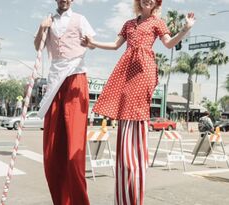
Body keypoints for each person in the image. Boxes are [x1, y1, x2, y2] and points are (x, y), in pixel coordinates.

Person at [81, 0, 195, 204]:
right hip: (126, 70)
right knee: (124, 111)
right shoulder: (128, 24)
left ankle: (134, 191)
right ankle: (124, 195)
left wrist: (185, 30)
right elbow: (115, 45)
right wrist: (93, 44)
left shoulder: (157, 22)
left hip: (144, 70)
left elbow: (169, 43)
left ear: (156, 3)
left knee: (137, 113)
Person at [34, 0, 95, 204]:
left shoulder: (80, 20)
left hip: (75, 78)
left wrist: (89, 44)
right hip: (54, 83)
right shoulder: (49, 22)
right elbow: (39, 47)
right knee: (52, 153)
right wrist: (42, 27)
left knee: (73, 156)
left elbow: (92, 44)